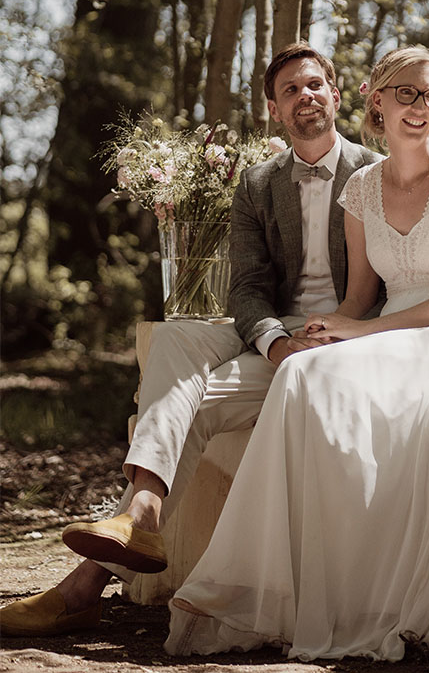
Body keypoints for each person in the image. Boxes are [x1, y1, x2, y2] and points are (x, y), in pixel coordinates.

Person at [0, 43, 380, 638]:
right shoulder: (257, 183)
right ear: (275, 113)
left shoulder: (375, 173)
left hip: (349, 343)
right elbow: (248, 289)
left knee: (187, 406)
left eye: (313, 85)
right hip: (280, 340)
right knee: (178, 343)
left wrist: (339, 335)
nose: (304, 96)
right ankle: (142, 513)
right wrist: (276, 344)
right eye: (289, 90)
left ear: (334, 93)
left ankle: (83, 587)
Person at [164, 45, 429, 661]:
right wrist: (324, 333)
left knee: (331, 381)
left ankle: (373, 600)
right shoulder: (361, 189)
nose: (420, 107)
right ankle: (275, 588)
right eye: (406, 93)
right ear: (375, 99)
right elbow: (358, 300)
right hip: (389, 328)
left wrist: (358, 334)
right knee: (304, 372)